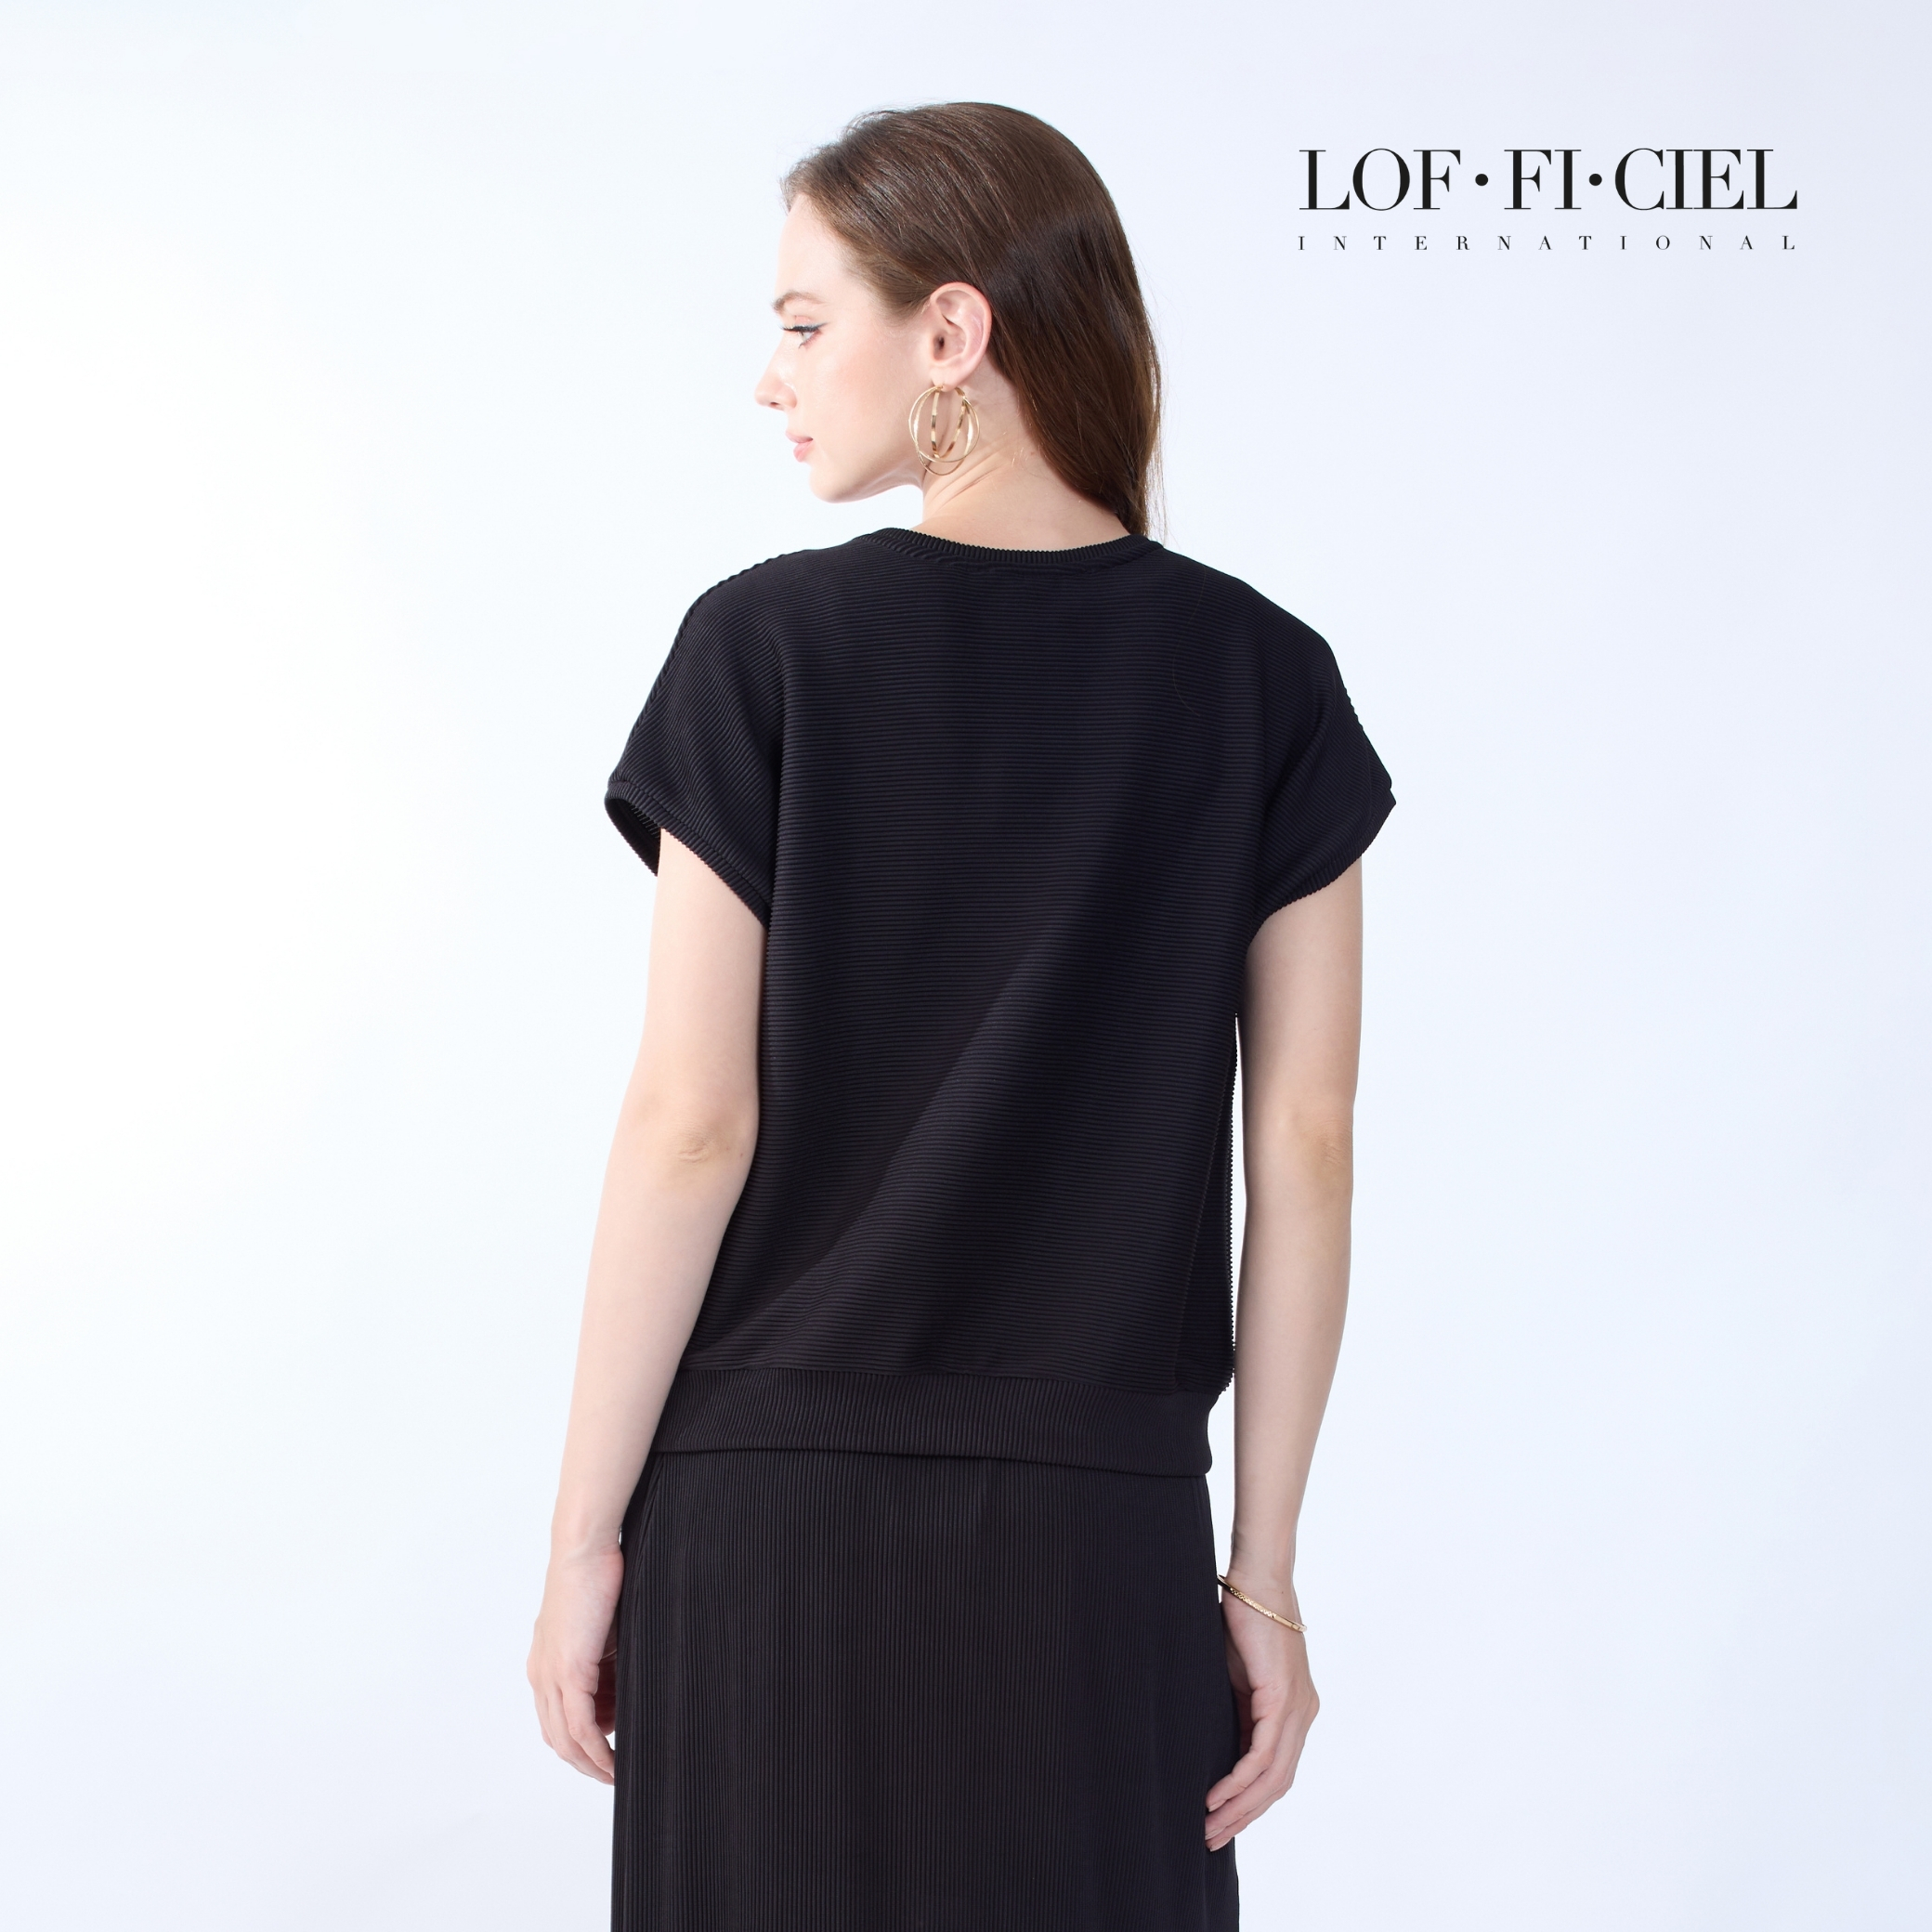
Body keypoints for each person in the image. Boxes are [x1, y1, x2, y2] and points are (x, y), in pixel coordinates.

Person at [527, 101, 1395, 1932]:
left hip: (768, 1528)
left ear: (950, 332)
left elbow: (691, 1122)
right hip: (1097, 1545)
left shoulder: (762, 651)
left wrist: (583, 1535)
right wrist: (1260, 1574)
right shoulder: (1263, 680)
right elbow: (1305, 1148)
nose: (769, 377)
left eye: (800, 322)